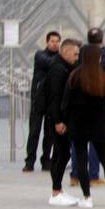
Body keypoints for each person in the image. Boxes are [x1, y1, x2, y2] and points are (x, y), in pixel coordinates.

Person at [61, 44, 105, 208]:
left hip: (78, 125)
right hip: (98, 126)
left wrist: (67, 121)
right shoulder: (103, 78)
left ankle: (87, 197)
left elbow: (65, 103)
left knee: (81, 161)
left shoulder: (74, 76)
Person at [70, 27, 105, 186]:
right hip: (98, 107)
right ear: (102, 40)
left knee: (78, 143)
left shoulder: (78, 55)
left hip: (79, 108)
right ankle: (94, 175)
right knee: (97, 143)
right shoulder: (104, 58)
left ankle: (75, 175)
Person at [46, 38, 80, 206]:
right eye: (75, 54)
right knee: (63, 153)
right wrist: (58, 121)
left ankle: (57, 190)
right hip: (58, 120)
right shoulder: (58, 69)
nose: (77, 57)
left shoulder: (65, 66)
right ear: (65, 52)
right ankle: (55, 191)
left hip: (61, 118)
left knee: (60, 154)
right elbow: (55, 97)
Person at [24, 31, 60, 172]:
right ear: (47, 42)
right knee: (34, 132)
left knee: (50, 133)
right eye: (52, 41)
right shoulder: (40, 55)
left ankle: (46, 160)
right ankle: (29, 161)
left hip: (52, 100)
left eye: (57, 41)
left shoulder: (58, 58)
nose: (55, 44)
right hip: (38, 100)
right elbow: (49, 63)